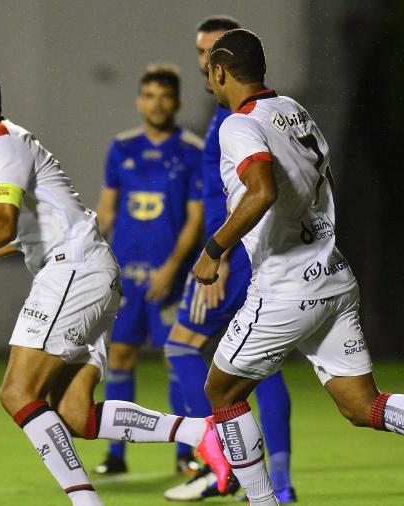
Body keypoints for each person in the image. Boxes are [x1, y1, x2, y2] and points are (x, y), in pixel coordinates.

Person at [190, 28, 404, 506]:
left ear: (219, 70)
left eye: (209, 71)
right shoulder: (293, 111)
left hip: (285, 287)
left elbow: (262, 189)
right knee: (363, 405)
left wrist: (214, 250)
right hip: (333, 276)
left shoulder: (239, 125)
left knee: (221, 392)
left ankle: (263, 501)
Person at [0, 67, 227, 506]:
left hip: (73, 273)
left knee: (17, 393)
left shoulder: (2, 145)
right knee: (74, 413)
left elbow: (0, 226)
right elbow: (14, 239)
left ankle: (85, 502)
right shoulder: (7, 143)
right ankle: (198, 432)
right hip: (92, 273)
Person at [162, 16, 296, 502]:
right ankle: (278, 484)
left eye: (210, 54)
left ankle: (220, 461)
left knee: (181, 346)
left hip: (235, 255)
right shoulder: (268, 111)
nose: (203, 63)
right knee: (265, 367)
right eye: (198, 51)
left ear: (227, 64)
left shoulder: (234, 118)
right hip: (263, 257)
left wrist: (216, 256)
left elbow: (239, 195)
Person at [92, 65, 205, 475]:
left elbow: (195, 220)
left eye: (164, 96)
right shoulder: (121, 148)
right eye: (149, 95)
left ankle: (186, 454)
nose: (156, 103)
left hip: (168, 279)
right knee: (120, 355)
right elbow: (107, 208)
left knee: (178, 358)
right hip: (126, 277)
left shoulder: (192, 151)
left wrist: (172, 267)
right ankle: (116, 456)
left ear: (176, 101)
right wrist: (94, 254)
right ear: (139, 100)